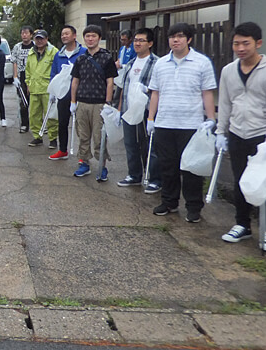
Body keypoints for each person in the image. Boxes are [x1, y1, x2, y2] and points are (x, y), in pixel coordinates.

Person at [216, 22, 266, 252]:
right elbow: (225, 103)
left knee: (264, 183)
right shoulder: (228, 71)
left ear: (258, 43)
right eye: (236, 43)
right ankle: (242, 225)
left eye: (246, 43)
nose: (240, 48)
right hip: (237, 133)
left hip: (261, 136)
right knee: (240, 181)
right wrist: (220, 131)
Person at [147, 22, 217, 223]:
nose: (175, 40)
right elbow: (155, 93)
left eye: (179, 36)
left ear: (189, 39)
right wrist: (151, 118)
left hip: (191, 125)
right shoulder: (160, 64)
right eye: (172, 37)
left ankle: (194, 207)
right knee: (167, 166)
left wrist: (211, 119)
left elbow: (207, 93)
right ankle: (169, 202)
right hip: (165, 123)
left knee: (191, 168)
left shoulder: (202, 62)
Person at [116, 28, 161, 193]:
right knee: (130, 144)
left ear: (150, 43)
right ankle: (134, 175)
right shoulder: (130, 63)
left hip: (147, 111)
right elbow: (122, 88)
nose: (137, 43)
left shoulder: (157, 63)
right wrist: (119, 110)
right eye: (135, 40)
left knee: (149, 146)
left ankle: (155, 178)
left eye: (141, 40)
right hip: (129, 110)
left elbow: (160, 90)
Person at [70, 25, 118, 179]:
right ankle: (84, 163)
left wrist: (108, 103)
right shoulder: (80, 58)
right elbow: (75, 82)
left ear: (99, 38)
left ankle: (102, 166)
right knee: (83, 135)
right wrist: (73, 101)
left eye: (93, 36)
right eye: (87, 36)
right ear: (83, 39)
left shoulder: (106, 57)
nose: (90, 39)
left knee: (99, 137)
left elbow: (110, 82)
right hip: (82, 103)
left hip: (99, 103)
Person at [49, 25, 85, 161]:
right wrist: (53, 90)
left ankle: (83, 155)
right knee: (62, 123)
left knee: (81, 127)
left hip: (80, 94)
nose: (64, 36)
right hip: (63, 94)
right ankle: (62, 150)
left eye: (67, 34)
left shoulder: (83, 52)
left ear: (74, 36)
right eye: (62, 34)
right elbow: (54, 73)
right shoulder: (59, 54)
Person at [25, 29, 59, 146]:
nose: (39, 41)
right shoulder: (31, 52)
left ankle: (53, 138)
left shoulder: (54, 52)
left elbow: (58, 70)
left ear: (47, 39)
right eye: (37, 39)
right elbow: (28, 70)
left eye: (42, 39)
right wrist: (28, 83)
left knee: (51, 115)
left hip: (48, 89)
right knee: (34, 115)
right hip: (34, 89)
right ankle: (37, 136)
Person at [11, 26, 34, 133]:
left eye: (26, 33)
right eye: (22, 33)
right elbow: (14, 61)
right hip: (21, 77)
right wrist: (15, 76)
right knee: (23, 103)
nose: (24, 35)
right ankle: (24, 124)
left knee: (36, 103)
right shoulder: (17, 47)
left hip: (34, 77)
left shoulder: (35, 46)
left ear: (31, 35)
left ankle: (37, 125)